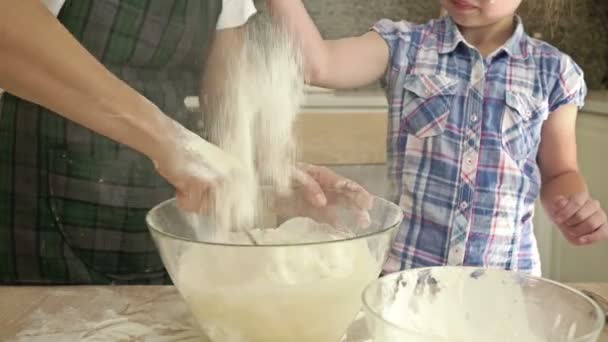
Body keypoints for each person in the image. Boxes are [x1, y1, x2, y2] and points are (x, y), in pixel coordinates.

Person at [0, 0, 371, 285]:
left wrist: (262, 172)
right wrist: (166, 138)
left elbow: (227, 90)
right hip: (34, 210)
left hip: (164, 220)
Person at [267, 0, 608, 276]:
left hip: (506, 284)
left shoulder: (554, 72)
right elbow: (318, 64)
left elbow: (560, 173)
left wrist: (573, 207)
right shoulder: (403, 45)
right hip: (407, 277)